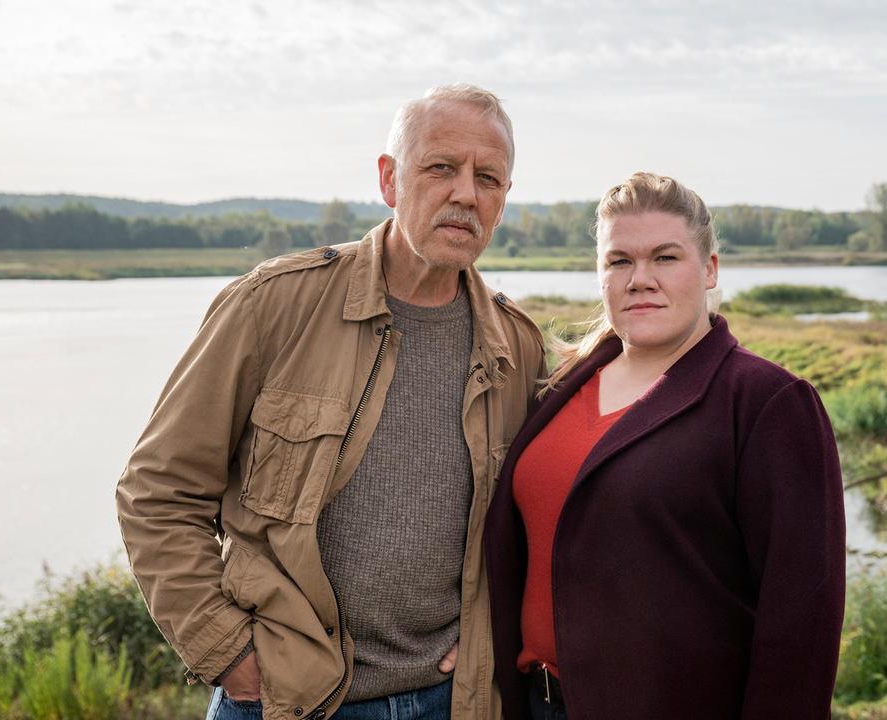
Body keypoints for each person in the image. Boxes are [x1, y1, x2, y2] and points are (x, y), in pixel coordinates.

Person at [116, 84, 545, 720]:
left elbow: (529, 527)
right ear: (389, 179)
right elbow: (157, 492)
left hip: (450, 702)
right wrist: (228, 653)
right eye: (441, 168)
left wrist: (489, 636)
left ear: (504, 200)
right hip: (288, 701)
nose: (465, 193)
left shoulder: (517, 346)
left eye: (489, 178)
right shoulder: (274, 304)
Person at [483, 172, 846, 720]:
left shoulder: (765, 402)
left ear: (710, 270)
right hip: (536, 703)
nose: (640, 279)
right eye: (619, 261)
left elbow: (801, 621)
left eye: (666, 258)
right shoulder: (562, 385)